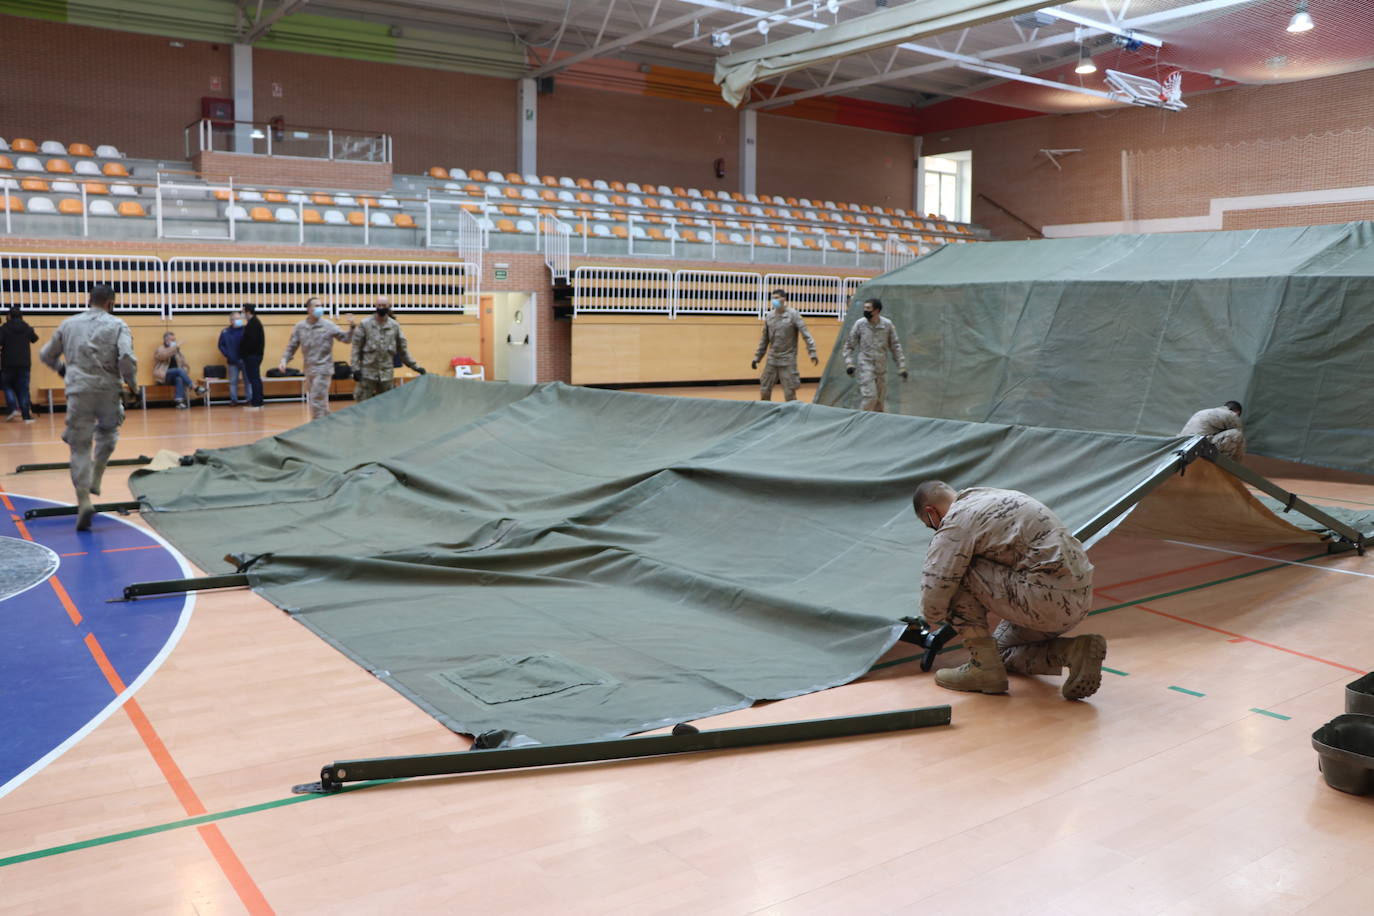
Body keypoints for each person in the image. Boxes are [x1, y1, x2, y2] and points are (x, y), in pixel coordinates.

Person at [912, 480, 1106, 700]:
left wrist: (932, 616)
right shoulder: (993, 495)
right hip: (1077, 598)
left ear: (931, 512)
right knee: (1000, 652)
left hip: (1042, 598)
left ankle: (983, 669)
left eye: (931, 525)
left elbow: (934, 603)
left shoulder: (956, 521)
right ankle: (1074, 651)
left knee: (953, 572)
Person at [38, 285, 138, 530]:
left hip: (79, 392)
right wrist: (133, 385)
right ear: (111, 303)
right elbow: (126, 357)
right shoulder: (118, 325)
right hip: (108, 391)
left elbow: (46, 355)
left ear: (89, 300)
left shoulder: (68, 325)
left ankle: (83, 501)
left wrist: (65, 371)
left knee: (79, 446)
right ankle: (98, 473)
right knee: (109, 432)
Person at [279, 297, 356, 419]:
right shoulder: (300, 327)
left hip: (323, 368)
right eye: (316, 305)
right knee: (320, 401)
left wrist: (352, 327)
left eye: (321, 305)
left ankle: (317, 428)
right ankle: (327, 425)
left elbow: (346, 339)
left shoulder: (328, 325)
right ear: (309, 309)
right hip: (309, 369)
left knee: (316, 399)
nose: (320, 308)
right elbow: (292, 345)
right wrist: (284, 360)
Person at [351, 296, 425, 402]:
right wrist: (355, 369)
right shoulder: (365, 324)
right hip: (367, 373)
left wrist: (416, 367)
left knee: (386, 406)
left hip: (386, 375)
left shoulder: (394, 326)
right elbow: (356, 348)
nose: (381, 307)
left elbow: (402, 350)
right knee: (362, 405)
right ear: (375, 306)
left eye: (384, 305)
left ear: (389, 307)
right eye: (379, 305)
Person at [751, 288, 818, 402]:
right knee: (764, 389)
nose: (774, 301)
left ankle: (792, 417)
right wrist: (757, 357)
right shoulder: (769, 316)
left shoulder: (793, 315)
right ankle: (766, 414)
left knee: (789, 393)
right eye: (772, 298)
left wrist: (812, 352)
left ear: (784, 299)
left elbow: (806, 335)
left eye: (776, 298)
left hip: (788, 360)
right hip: (772, 359)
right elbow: (764, 339)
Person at [842, 298, 907, 412]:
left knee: (879, 402)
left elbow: (895, 346)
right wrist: (849, 364)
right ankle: (860, 422)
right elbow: (848, 346)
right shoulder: (860, 324)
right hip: (865, 365)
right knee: (870, 397)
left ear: (876, 310)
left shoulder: (887, 325)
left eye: (868, 308)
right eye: (864, 308)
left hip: (881, 367)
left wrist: (901, 365)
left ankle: (876, 426)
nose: (865, 310)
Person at [1, 304, 39, 422]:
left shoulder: (4, 328)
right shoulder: (27, 327)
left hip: (8, 363)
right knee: (23, 389)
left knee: (6, 385)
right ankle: (26, 416)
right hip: (24, 364)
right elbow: (35, 338)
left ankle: (13, 408)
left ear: (9, 316)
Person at [1180, 400, 1245, 461]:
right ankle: (1228, 466)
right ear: (1237, 412)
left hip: (1182, 446)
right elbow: (1240, 442)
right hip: (1199, 448)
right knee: (1237, 435)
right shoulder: (1232, 415)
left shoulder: (1205, 411)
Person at [152, 331, 203, 409]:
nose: (174, 342)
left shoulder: (178, 351)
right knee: (178, 371)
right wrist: (175, 347)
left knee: (179, 377)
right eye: (172, 340)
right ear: (166, 340)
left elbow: (185, 365)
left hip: (175, 376)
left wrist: (185, 371)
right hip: (163, 376)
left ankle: (179, 402)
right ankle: (195, 387)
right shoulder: (160, 349)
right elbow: (162, 356)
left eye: (174, 340)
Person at [217, 310, 247, 405]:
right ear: (231, 320)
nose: (240, 320)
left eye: (240, 318)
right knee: (233, 382)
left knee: (248, 381)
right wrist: (227, 354)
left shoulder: (246, 330)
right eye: (237, 319)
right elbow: (221, 345)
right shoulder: (225, 332)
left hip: (245, 360)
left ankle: (250, 399)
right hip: (232, 361)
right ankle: (234, 400)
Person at [240, 302, 266, 411]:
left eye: (243, 311)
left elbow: (251, 342)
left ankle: (257, 403)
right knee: (254, 378)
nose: (242, 314)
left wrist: (243, 352)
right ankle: (257, 402)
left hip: (253, 356)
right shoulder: (252, 323)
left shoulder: (253, 324)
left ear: (248, 311)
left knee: (254, 379)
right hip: (253, 355)